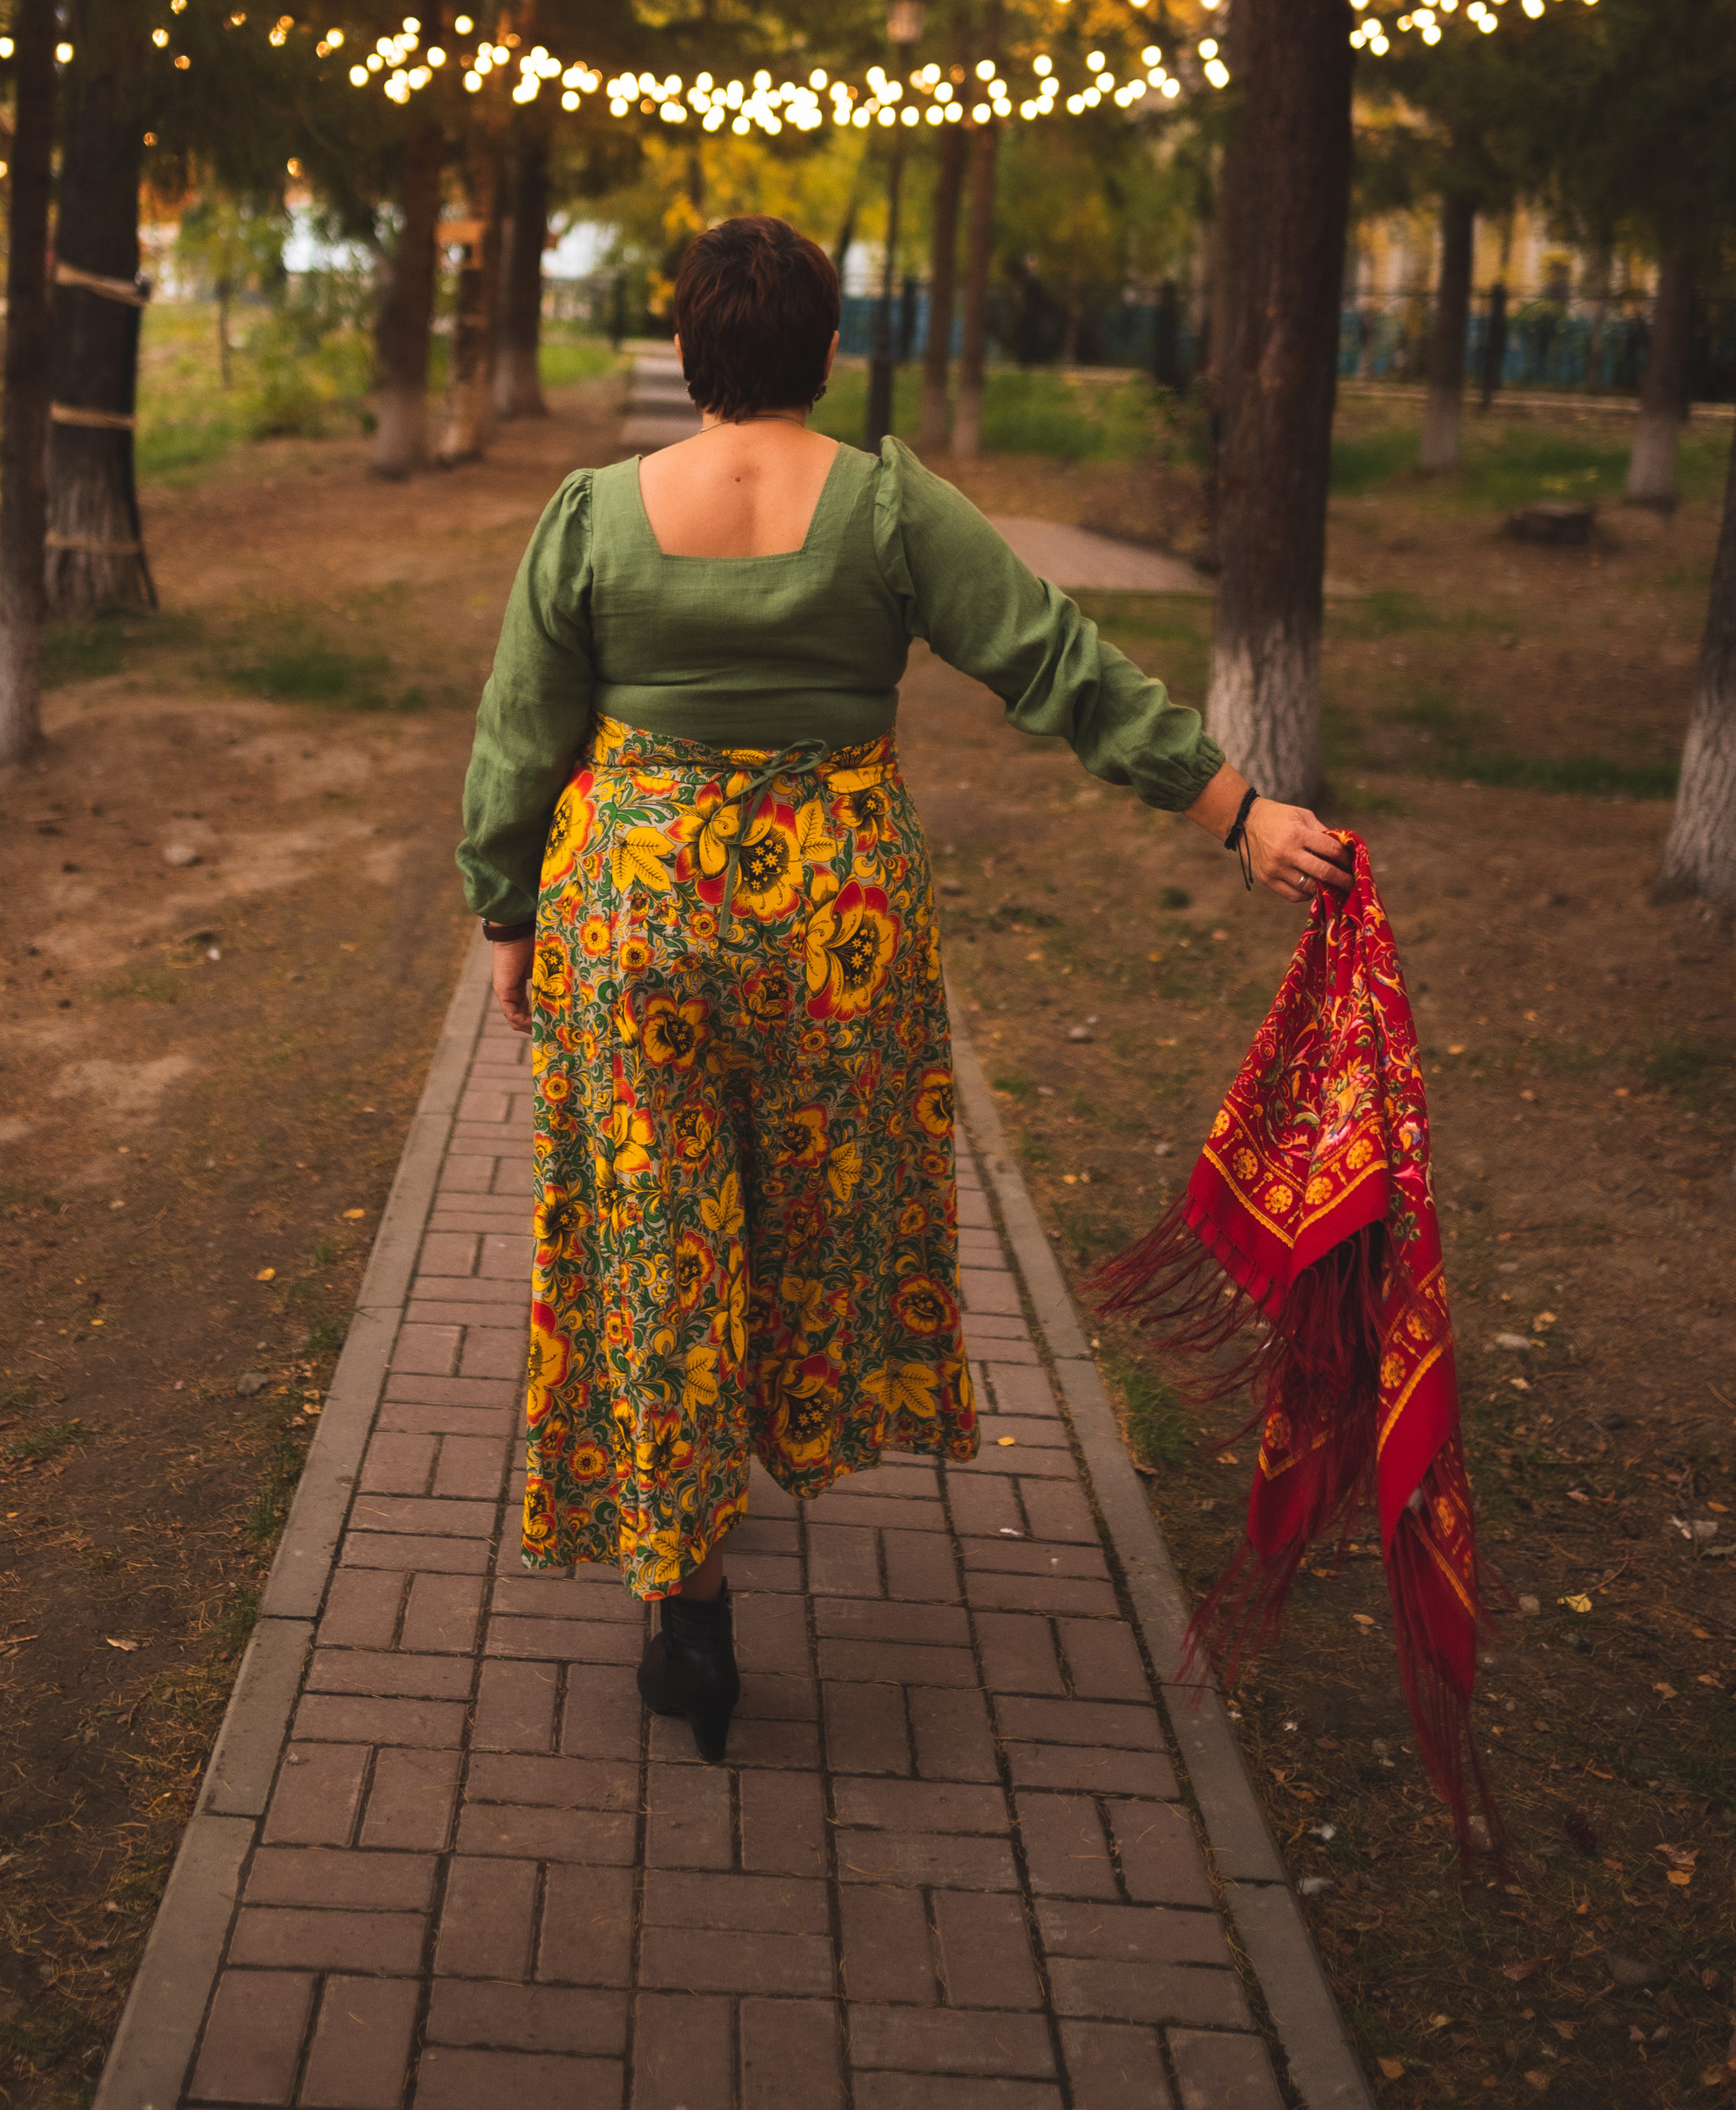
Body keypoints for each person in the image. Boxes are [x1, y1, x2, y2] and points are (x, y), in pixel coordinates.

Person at [456, 213, 1349, 1762]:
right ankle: (764, 1445)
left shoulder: (594, 514)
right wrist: (1240, 808)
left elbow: (519, 731)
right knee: (801, 1210)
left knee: (663, 1228)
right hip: (832, 929)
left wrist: (506, 911)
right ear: (829, 352)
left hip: (634, 914)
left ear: (685, 353)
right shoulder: (884, 505)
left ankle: (688, 1602)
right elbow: (1056, 664)